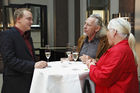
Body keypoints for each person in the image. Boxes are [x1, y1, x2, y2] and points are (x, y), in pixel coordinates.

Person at [0, 8, 48, 93]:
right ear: (18, 19)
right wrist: (33, 65)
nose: (32, 22)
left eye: (32, 19)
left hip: (29, 82)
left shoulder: (28, 37)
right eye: (28, 19)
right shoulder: (7, 35)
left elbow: (29, 58)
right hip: (15, 85)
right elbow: (10, 61)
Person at [86, 18, 139, 93]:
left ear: (114, 32)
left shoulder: (118, 51)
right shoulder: (124, 48)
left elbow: (102, 78)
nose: (106, 33)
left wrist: (91, 66)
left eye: (108, 30)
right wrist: (96, 64)